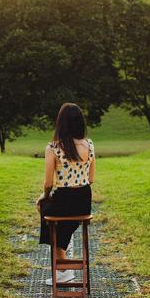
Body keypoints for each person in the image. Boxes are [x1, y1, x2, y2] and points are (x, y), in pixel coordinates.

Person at [36, 102, 95, 285]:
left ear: (60, 123)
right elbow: (90, 179)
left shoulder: (52, 148)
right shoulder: (89, 144)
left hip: (65, 200)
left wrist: (43, 196)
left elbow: (48, 183)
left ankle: (62, 267)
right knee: (58, 219)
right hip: (84, 199)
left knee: (44, 207)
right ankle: (64, 242)